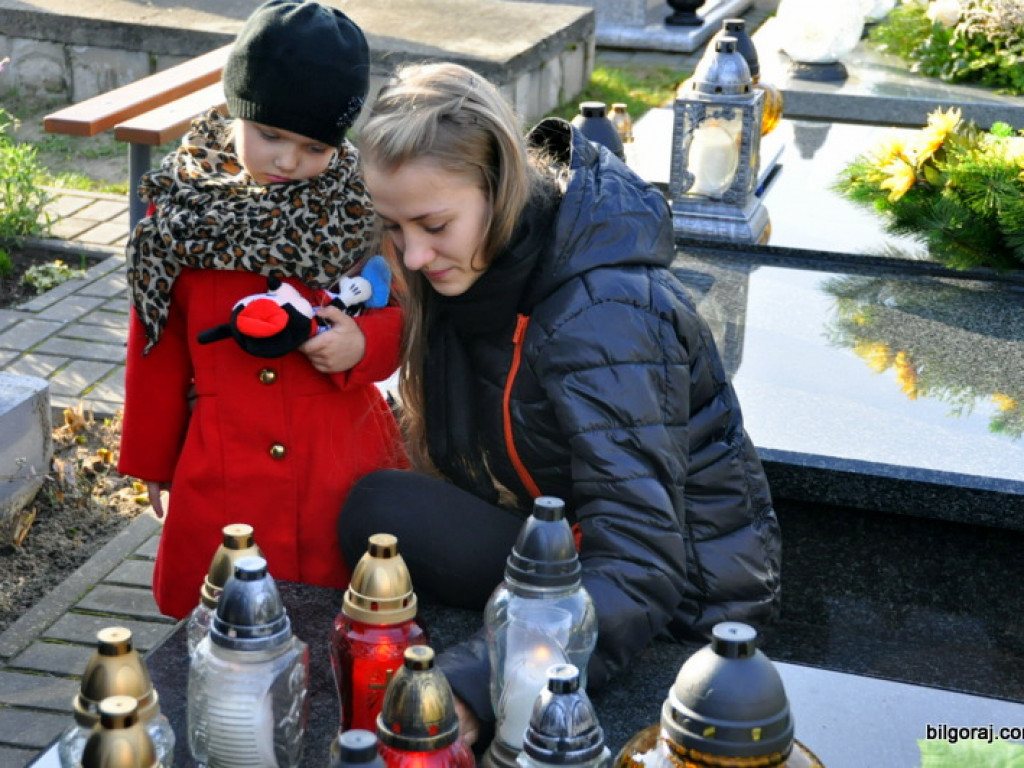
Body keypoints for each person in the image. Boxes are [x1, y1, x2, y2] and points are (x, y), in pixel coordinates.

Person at [337, 61, 783, 747]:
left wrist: (475, 682)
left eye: (432, 224)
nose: (415, 255)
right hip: (561, 539)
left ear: (500, 185)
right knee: (377, 513)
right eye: (394, 228)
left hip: (680, 605)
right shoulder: (466, 268)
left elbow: (640, 558)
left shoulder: (605, 313)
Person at [117, 0, 406, 620]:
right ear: (235, 110)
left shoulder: (359, 208)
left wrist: (364, 343)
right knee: (227, 618)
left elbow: (405, 308)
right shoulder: (180, 215)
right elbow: (156, 343)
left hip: (341, 455)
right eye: (270, 134)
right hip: (225, 463)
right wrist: (151, 458)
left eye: (313, 146)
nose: (287, 161)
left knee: (349, 612)